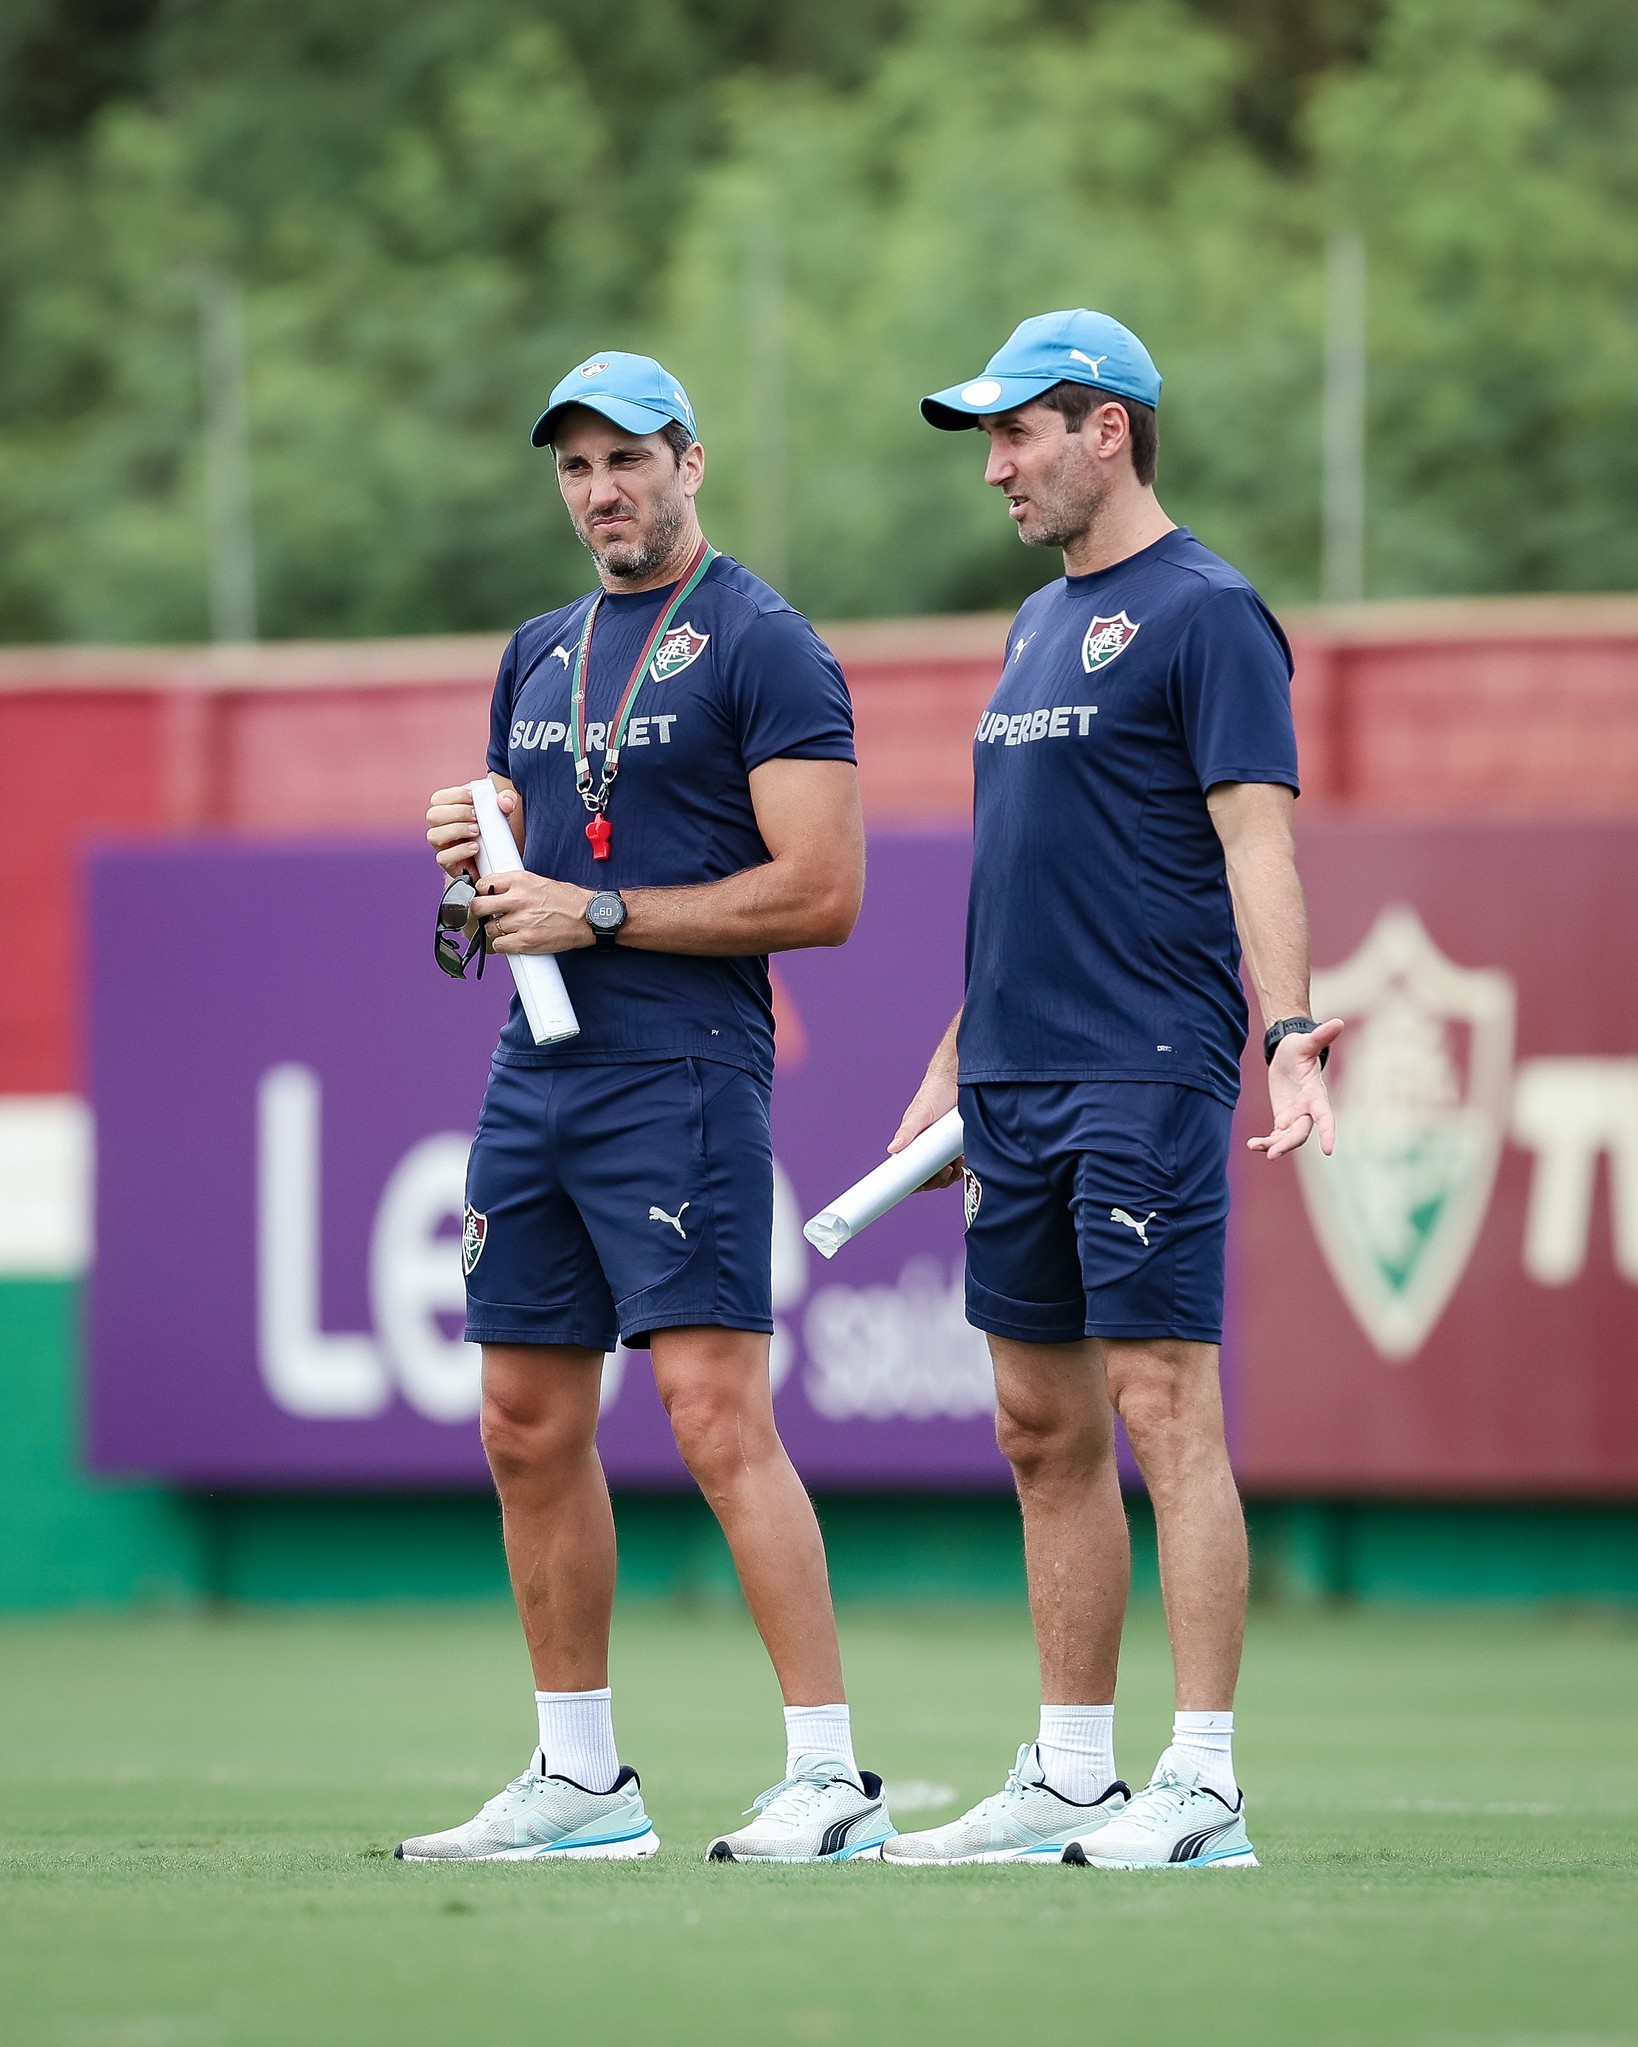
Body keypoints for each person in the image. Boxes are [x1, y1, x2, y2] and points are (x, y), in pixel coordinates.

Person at [400, 352, 893, 1866]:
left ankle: (831, 1777)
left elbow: (824, 895)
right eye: (574, 467)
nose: (600, 490)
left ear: (688, 461)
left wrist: (596, 911)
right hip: (535, 1069)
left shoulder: (767, 643)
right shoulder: (537, 651)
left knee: (713, 1416)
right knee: (521, 1422)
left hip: (681, 1070)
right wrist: (475, 870)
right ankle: (579, 1783)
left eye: (625, 459)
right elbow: (513, 898)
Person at [881, 310, 1339, 1871]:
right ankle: (1070, 1778)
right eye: (989, 440)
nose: (994, 468)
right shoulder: (1029, 624)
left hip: (1141, 1066)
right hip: (1010, 1076)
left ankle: (1199, 1787)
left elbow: (1253, 839)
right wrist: (954, 1056)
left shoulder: (1209, 612)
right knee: (1035, 1426)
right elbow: (1034, 873)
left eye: (1016, 434)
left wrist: (1289, 1031)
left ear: (1107, 430)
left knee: (1163, 1407)